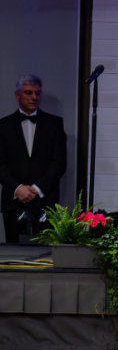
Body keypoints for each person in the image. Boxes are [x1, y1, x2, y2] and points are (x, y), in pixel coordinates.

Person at [0, 74, 67, 243]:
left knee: (47, 252)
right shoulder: (3, 125)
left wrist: (36, 189)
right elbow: (0, 164)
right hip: (13, 201)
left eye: (37, 93)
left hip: (45, 199)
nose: (34, 97)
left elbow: (59, 162)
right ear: (17, 95)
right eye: (28, 92)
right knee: (13, 252)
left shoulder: (55, 124)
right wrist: (18, 188)